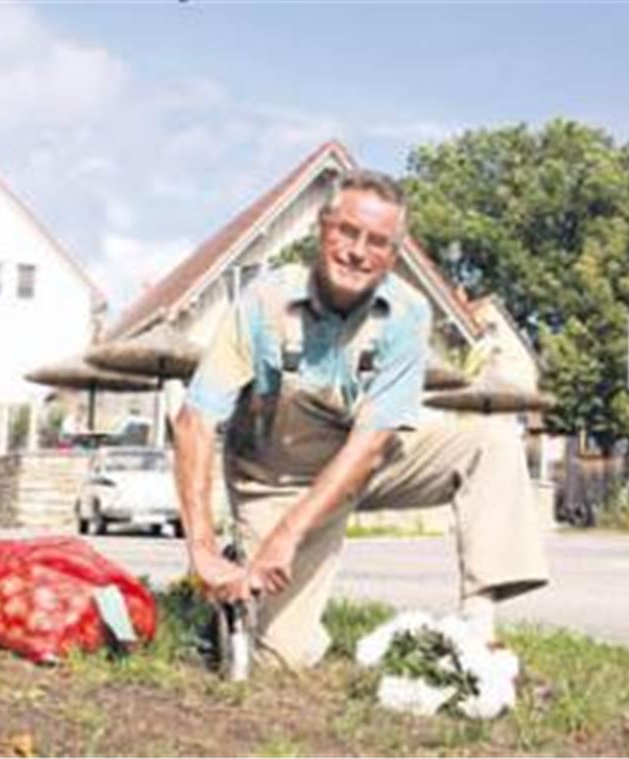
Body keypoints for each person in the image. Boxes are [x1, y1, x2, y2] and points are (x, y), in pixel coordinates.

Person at [172, 168, 548, 670]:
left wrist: (287, 538)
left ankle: (477, 635)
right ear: (321, 229)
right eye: (347, 232)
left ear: (393, 255)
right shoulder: (263, 301)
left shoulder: (408, 314)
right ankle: (265, 599)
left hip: (366, 461)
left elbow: (370, 443)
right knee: (280, 659)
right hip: (276, 479)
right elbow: (194, 421)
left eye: (377, 242)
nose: (357, 251)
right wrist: (201, 550)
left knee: (492, 443)